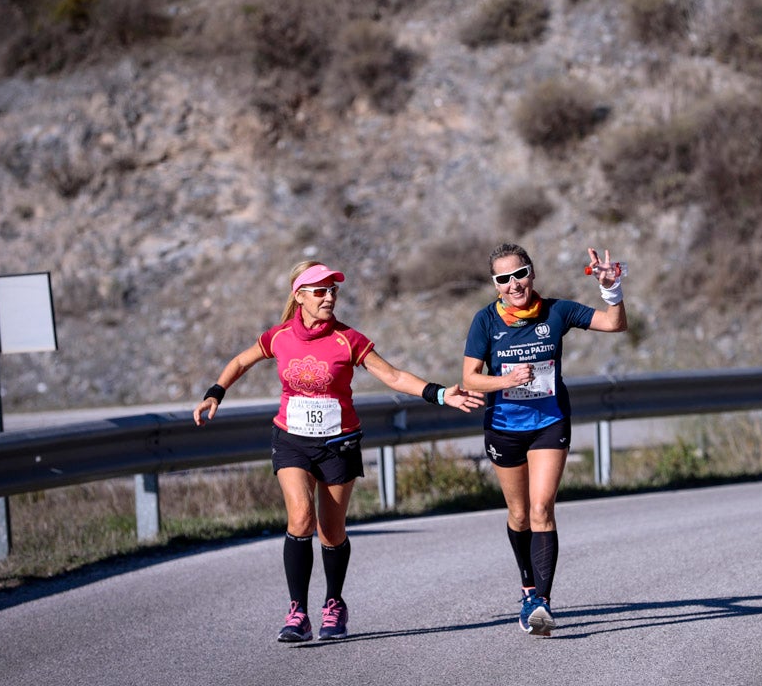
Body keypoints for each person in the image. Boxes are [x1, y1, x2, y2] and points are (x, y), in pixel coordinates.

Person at [193, 260, 483, 642]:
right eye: (320, 291)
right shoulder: (279, 336)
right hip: (291, 439)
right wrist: (216, 392)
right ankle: (297, 612)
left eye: (333, 290)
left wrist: (440, 393)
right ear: (300, 297)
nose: (329, 297)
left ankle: (334, 603)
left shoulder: (349, 339)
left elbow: (393, 376)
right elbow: (242, 360)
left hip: (338, 443)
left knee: (331, 531)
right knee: (300, 519)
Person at [462, 243, 627, 637]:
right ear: (495, 285)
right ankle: (527, 586)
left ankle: (542, 603)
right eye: (504, 278)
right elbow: (470, 378)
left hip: (550, 422)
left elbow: (614, 324)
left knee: (541, 509)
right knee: (518, 514)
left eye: (520, 273)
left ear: (532, 273)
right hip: (504, 425)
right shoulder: (485, 321)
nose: (514, 284)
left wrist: (612, 290)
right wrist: (505, 380)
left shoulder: (557, 311)